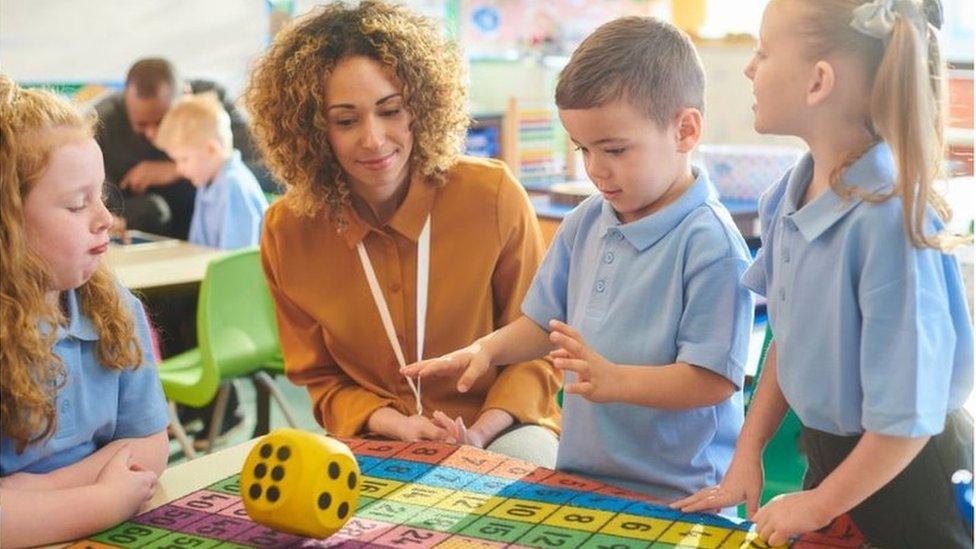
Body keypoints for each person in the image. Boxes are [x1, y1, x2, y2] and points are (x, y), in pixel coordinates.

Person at [405, 16, 753, 501]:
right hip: (582, 477)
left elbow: (712, 380)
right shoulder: (586, 221)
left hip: (681, 492)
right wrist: (486, 351)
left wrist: (615, 381)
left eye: (614, 149)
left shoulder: (711, 244)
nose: (594, 169)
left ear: (685, 130)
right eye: (583, 149)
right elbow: (543, 324)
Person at [674, 1, 973, 546]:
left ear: (818, 82)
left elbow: (908, 421)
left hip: (910, 477)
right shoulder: (785, 198)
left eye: (763, 52)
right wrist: (748, 451)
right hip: (831, 460)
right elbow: (790, 342)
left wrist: (818, 504)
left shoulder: (889, 224)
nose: (748, 67)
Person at [245, 1, 561, 465]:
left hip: (501, 428)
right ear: (314, 131)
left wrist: (480, 431)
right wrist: (393, 424)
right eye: (346, 120)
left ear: (420, 108)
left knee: (519, 491)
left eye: (390, 111)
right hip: (376, 435)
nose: (373, 140)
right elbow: (322, 379)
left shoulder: (491, 195)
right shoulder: (288, 230)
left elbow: (539, 347)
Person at [0, 75, 169, 547]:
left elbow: (152, 447)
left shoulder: (115, 307)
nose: (104, 218)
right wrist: (104, 499)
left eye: (100, 194)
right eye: (77, 204)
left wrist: (34, 492)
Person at [94, 57, 275, 240]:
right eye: (141, 125)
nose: (152, 133)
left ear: (186, 96)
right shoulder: (102, 121)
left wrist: (175, 170)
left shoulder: (211, 105)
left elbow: (272, 172)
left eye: (161, 121)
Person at [155, 93, 268, 250]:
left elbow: (234, 260)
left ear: (211, 150)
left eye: (184, 159)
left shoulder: (232, 186)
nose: (179, 168)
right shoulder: (208, 181)